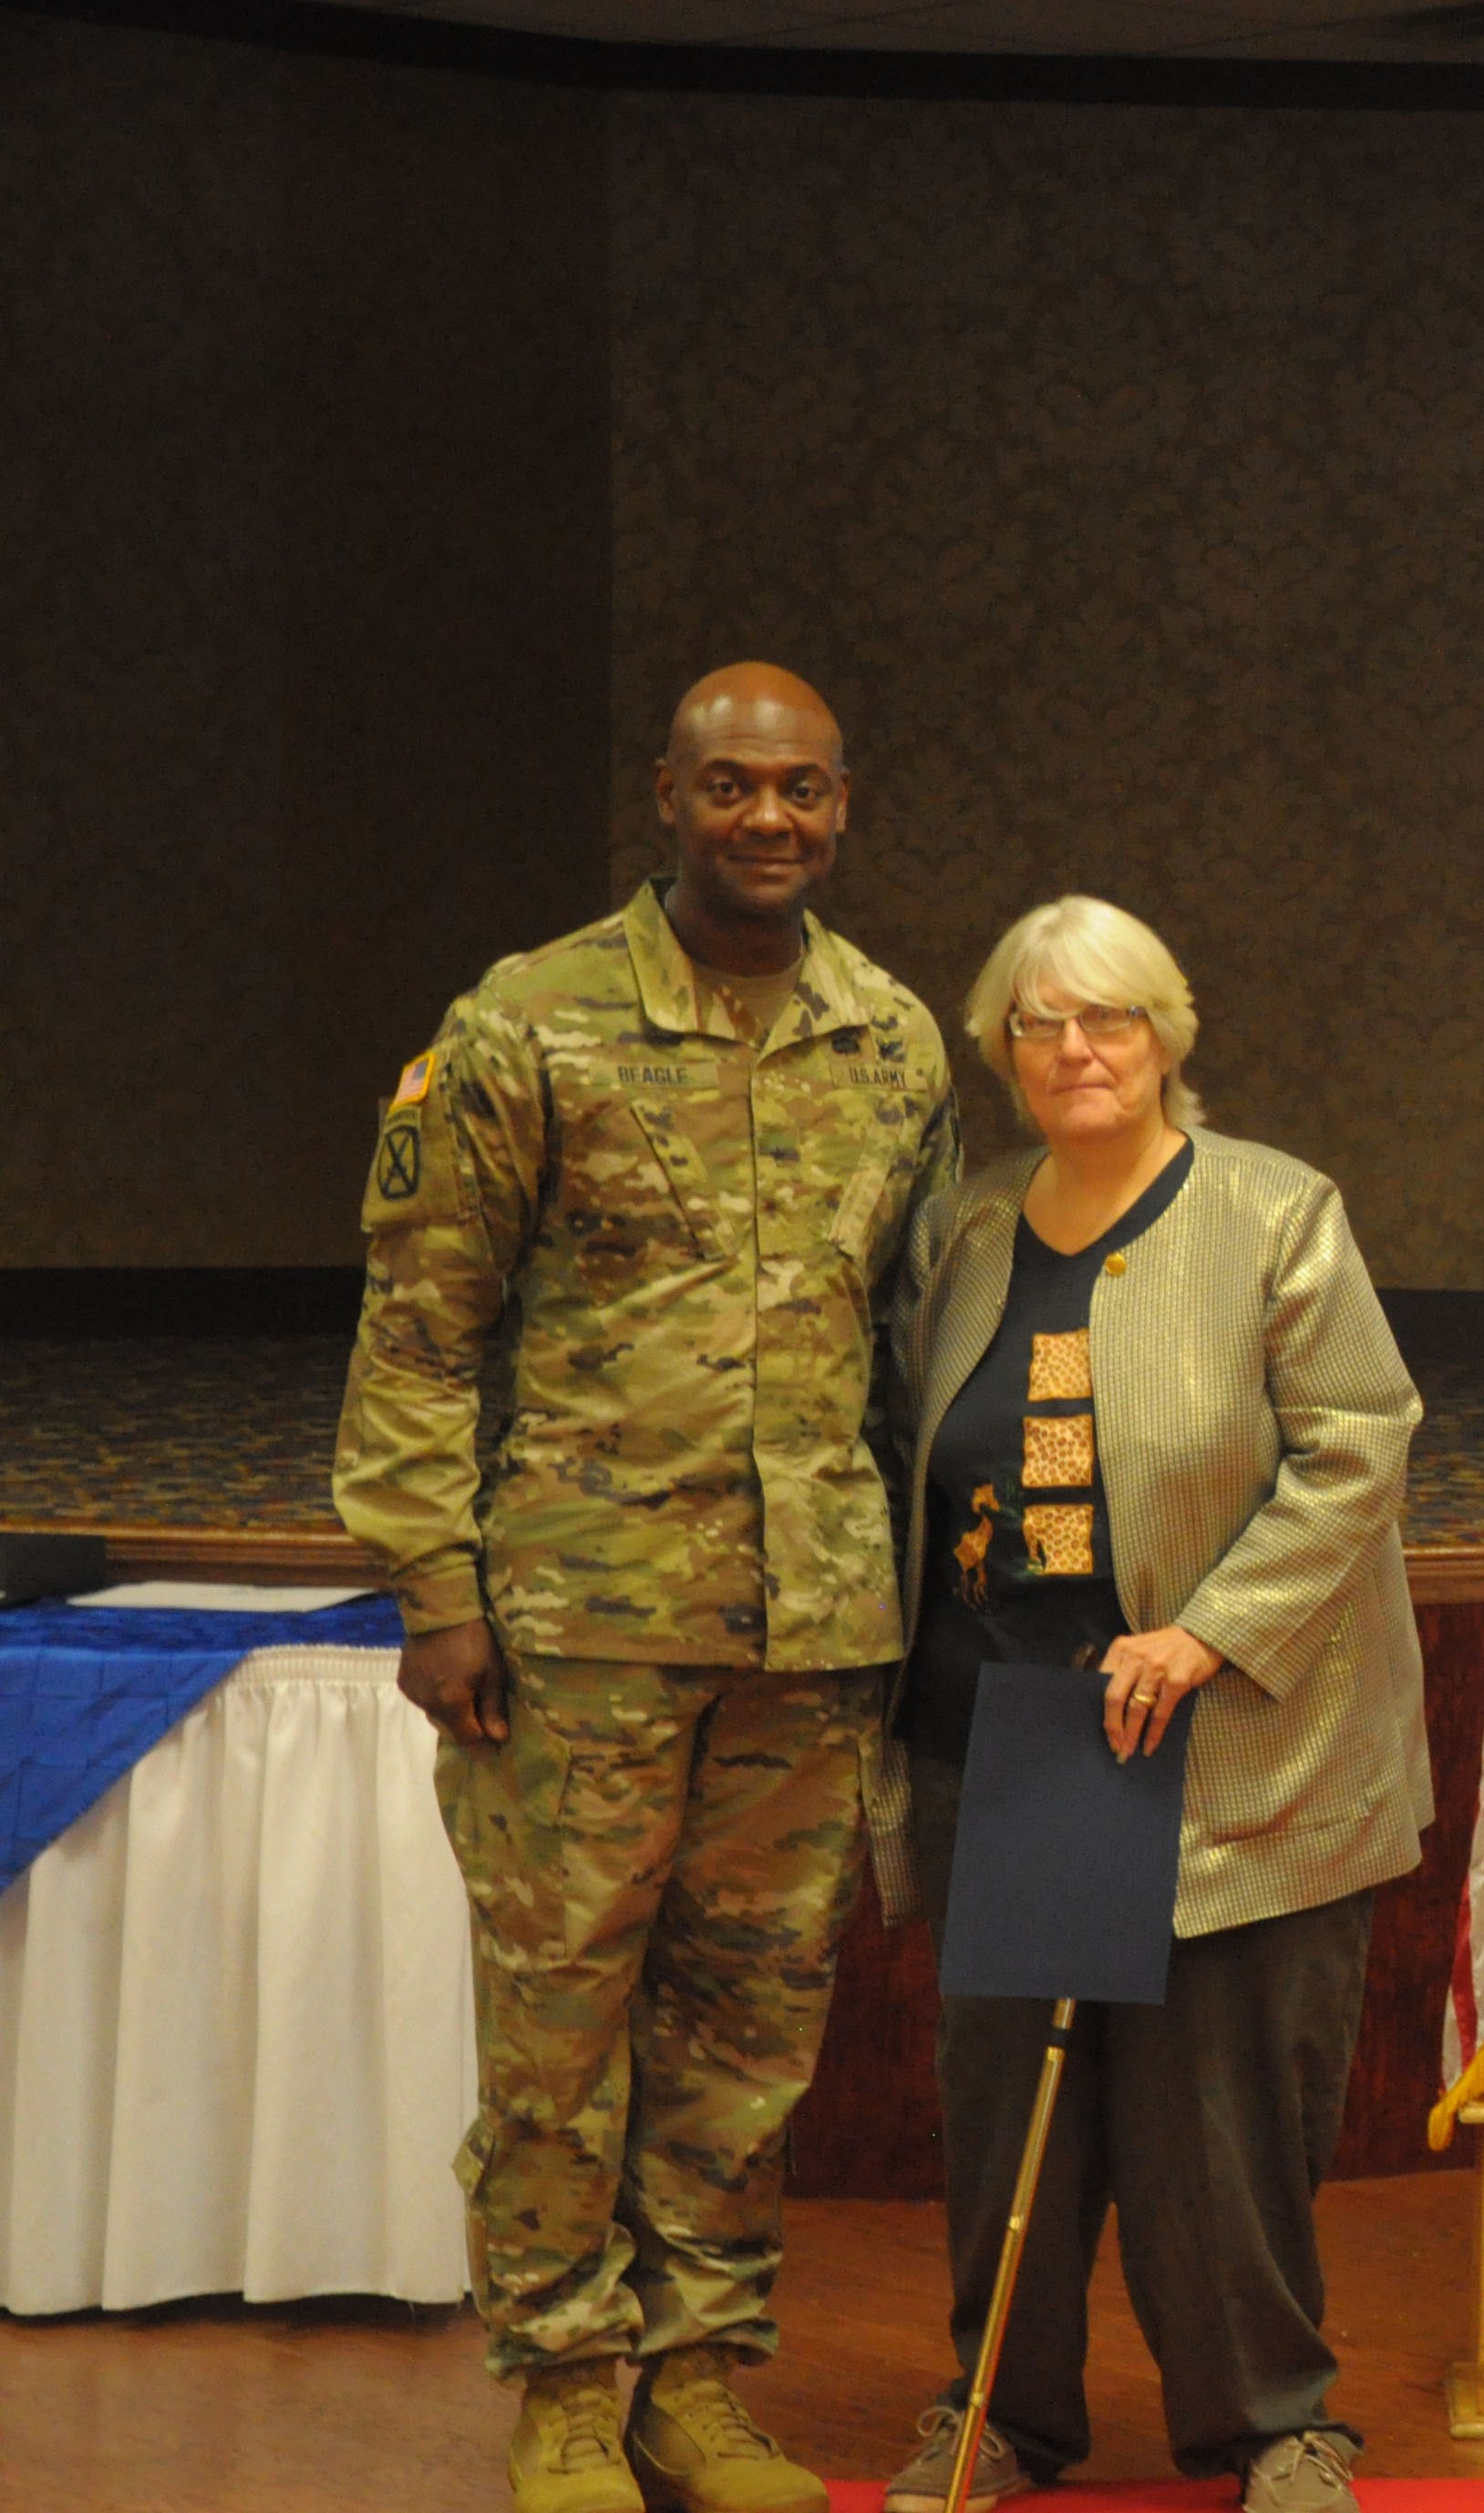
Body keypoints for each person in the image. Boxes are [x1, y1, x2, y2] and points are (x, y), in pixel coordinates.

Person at [335, 664, 959, 2513]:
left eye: (801, 790)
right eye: (728, 787)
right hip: (578, 1624)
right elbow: (420, 1327)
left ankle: (696, 2375)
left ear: (845, 802)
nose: (767, 820)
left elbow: (912, 1340)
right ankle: (563, 2380)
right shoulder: (526, 1025)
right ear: (666, 799)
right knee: (559, 2019)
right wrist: (434, 1584)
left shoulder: (897, 1038)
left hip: (814, 1626)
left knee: (749, 2026)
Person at [871, 896, 1427, 2513]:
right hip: (1017, 1743)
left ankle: (1276, 2423)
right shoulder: (972, 1228)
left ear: (1167, 1034)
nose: (1073, 1049)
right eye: (1037, 1025)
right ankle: (997, 2410)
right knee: (1011, 2116)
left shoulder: (1272, 1210)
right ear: (1001, 1052)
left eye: (1106, 1018)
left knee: (1222, 2119)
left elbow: (1358, 1442)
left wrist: (1206, 1631)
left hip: (1227, 1741)